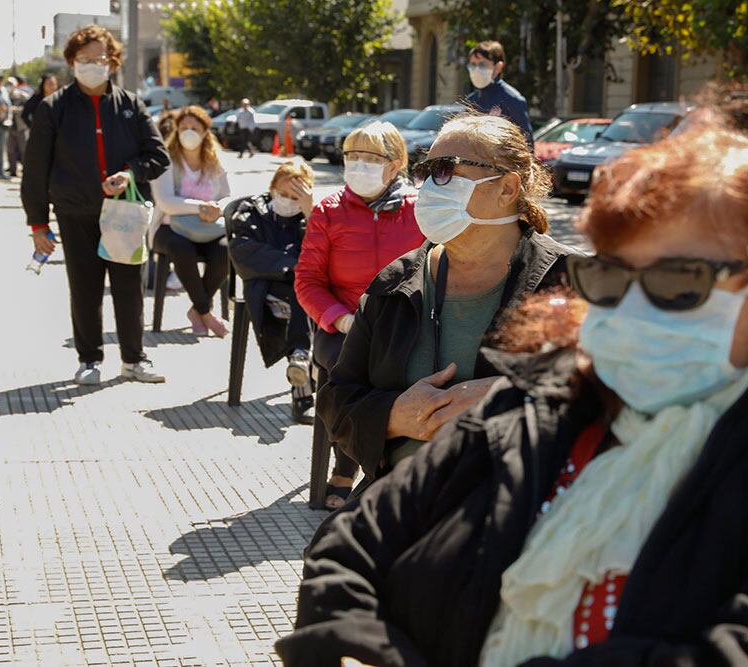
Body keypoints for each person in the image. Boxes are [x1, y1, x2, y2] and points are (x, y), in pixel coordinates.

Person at [275, 113, 748, 666]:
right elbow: (349, 543)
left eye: (679, 279)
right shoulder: (544, 406)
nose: (635, 309)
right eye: (613, 278)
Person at [318, 114, 574, 485]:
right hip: (401, 503)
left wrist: (511, 396)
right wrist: (394, 415)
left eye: (446, 170)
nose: (429, 187)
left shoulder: (571, 283)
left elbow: (620, 394)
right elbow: (336, 401)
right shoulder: (395, 283)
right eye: (427, 172)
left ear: (506, 188)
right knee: (327, 546)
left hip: (523, 514)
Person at [22, 25, 170, 385]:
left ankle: (134, 359)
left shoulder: (131, 105)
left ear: (113, 61)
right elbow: (35, 170)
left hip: (126, 214)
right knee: (85, 288)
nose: (93, 65)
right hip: (75, 212)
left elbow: (158, 156)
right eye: (84, 58)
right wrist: (38, 224)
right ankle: (89, 359)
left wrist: (130, 174)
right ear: (71, 62)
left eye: (100, 58)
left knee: (129, 288)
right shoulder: (52, 108)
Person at [294, 120, 424, 508]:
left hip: (404, 320)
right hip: (343, 324)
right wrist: (340, 318)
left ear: (395, 163)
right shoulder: (329, 211)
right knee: (350, 372)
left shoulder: (420, 209)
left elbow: (438, 265)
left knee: (408, 369)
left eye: (370, 157)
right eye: (352, 156)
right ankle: (350, 466)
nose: (357, 165)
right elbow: (308, 280)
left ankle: (394, 465)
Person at [227, 159, 317, 424]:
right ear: (272, 187)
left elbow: (325, 252)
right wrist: (294, 265)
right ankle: (303, 392)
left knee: (312, 295)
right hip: (265, 287)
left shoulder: (311, 216)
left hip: (300, 289)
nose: (289, 201)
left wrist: (311, 213)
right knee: (306, 293)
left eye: (296, 197)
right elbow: (244, 252)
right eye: (284, 194)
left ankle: (302, 362)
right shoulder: (250, 211)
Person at [149, 105, 231, 338]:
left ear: (205, 131)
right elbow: (165, 202)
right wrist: (200, 207)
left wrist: (219, 209)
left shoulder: (215, 161)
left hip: (209, 229)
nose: (189, 132)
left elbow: (227, 196)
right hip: (169, 229)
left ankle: (196, 311)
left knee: (226, 250)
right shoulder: (166, 160)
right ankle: (205, 312)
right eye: (183, 127)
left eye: (195, 128)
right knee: (181, 248)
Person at [464, 40, 533, 145]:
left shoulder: (512, 100)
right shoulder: (470, 101)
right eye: (473, 65)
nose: (476, 70)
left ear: (498, 67)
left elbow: (527, 145)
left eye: (482, 65)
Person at [6, 76, 31, 177]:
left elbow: (28, 109)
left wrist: (17, 110)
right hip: (9, 127)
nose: (9, 87)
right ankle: (13, 170)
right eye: (7, 84)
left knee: (24, 150)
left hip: (21, 127)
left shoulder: (23, 96)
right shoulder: (5, 96)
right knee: (10, 150)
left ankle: (26, 169)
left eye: (11, 84)